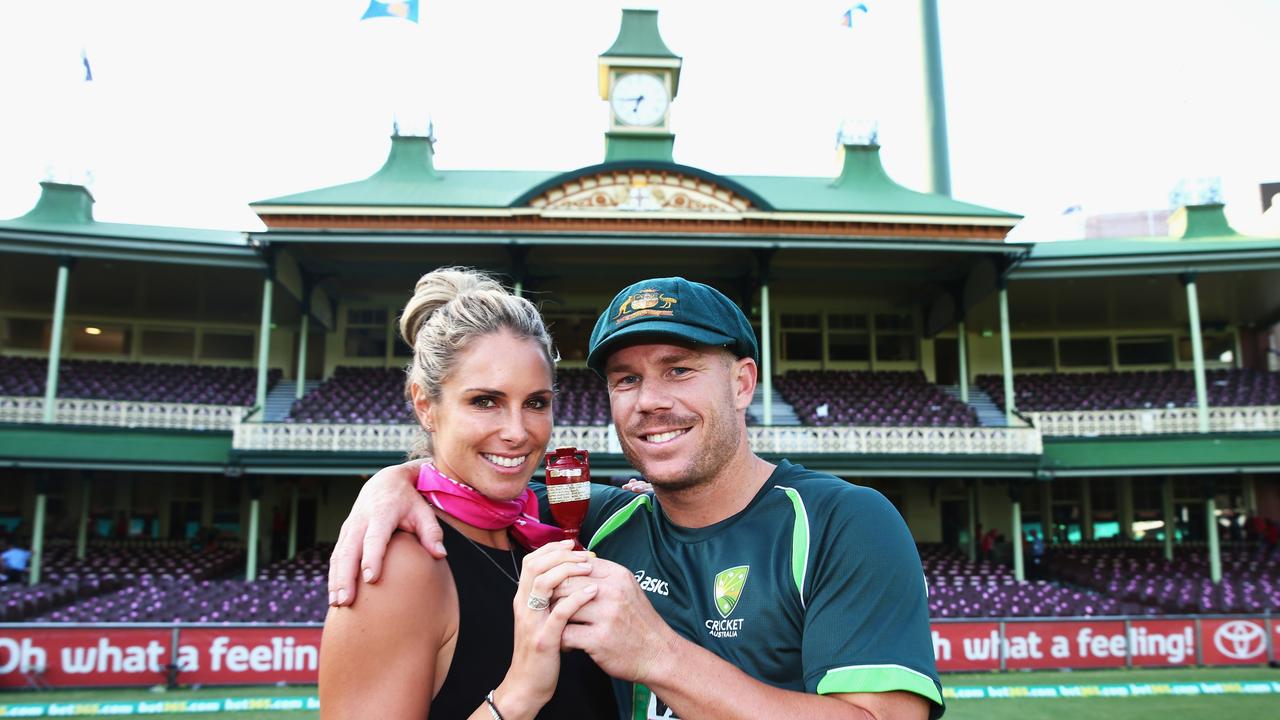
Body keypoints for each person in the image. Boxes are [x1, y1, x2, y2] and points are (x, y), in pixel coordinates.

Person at [330, 277, 944, 719]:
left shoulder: (845, 521)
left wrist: (659, 656)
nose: (650, 400)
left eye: (678, 369)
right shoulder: (589, 521)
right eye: (626, 379)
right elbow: (480, 483)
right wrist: (392, 483)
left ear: (742, 382)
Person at [318, 268, 615, 719]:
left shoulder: (544, 529)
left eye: (536, 402)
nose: (517, 432)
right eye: (485, 401)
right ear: (425, 405)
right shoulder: (399, 568)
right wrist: (518, 694)